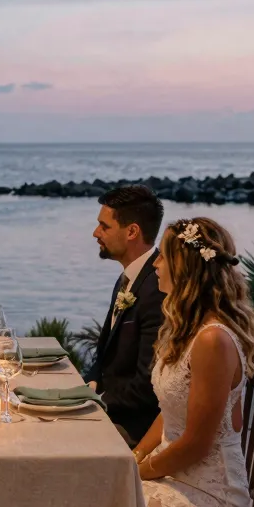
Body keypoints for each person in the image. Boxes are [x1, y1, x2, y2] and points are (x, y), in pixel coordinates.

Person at [134, 217, 254, 507]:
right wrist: (133, 457)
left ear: (186, 267)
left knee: (100, 502)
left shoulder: (213, 341)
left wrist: (138, 473)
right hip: (177, 476)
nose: (156, 263)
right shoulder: (185, 330)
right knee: (96, 489)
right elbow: (170, 412)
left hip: (211, 497)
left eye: (163, 255)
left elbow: (196, 444)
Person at [86, 185, 165, 447]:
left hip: (134, 427)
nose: (95, 233)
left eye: (104, 226)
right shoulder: (128, 278)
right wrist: (90, 384)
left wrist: (93, 403)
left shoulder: (157, 287)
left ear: (132, 231)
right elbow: (104, 353)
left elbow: (148, 384)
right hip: (113, 409)